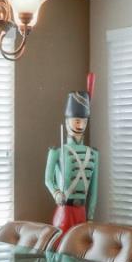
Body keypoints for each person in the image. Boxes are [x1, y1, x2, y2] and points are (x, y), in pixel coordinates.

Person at [44, 78, 99, 234]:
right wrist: (56, 193)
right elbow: (48, 179)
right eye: (76, 120)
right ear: (67, 121)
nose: (80, 125)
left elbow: (93, 190)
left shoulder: (93, 153)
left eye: (83, 121)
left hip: (81, 213)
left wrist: (90, 217)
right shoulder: (56, 151)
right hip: (64, 212)